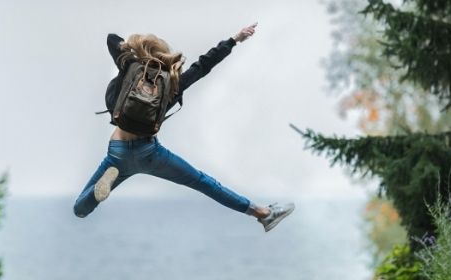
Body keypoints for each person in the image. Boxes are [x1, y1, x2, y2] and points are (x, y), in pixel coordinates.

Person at [73, 23, 294, 232]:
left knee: (80, 210)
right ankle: (263, 214)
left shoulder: (130, 66)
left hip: (118, 152)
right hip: (150, 153)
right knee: (204, 183)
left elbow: (112, 39)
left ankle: (93, 196)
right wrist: (234, 39)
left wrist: (135, 52)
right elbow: (204, 65)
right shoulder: (172, 83)